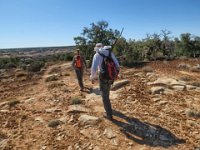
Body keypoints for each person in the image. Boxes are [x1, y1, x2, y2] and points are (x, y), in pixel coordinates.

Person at [90, 43, 120, 120]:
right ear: (103, 47)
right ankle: (108, 108)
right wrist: (115, 75)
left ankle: (109, 115)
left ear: (96, 48)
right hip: (111, 76)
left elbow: (94, 68)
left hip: (102, 77)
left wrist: (92, 78)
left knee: (104, 96)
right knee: (107, 93)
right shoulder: (110, 53)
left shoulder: (96, 55)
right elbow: (117, 65)